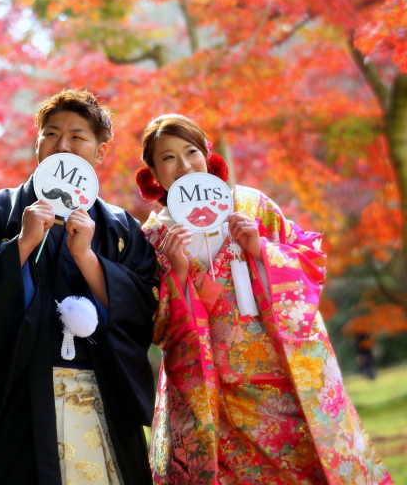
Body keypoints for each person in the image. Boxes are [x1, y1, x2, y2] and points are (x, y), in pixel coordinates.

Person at [135, 114, 392, 485]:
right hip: (208, 390)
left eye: (191, 151)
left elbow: (309, 262)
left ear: (208, 156)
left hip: (278, 373)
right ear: (154, 174)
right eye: (168, 157)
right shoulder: (154, 236)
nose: (184, 164)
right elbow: (153, 324)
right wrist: (176, 274)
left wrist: (260, 248)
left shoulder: (250, 205)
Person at [0, 90, 159, 485]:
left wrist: (88, 259)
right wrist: (20, 244)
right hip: (25, 396)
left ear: (100, 152)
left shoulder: (121, 228)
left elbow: (146, 309)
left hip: (105, 390)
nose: (62, 144)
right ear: (38, 142)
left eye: (77, 136)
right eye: (51, 133)